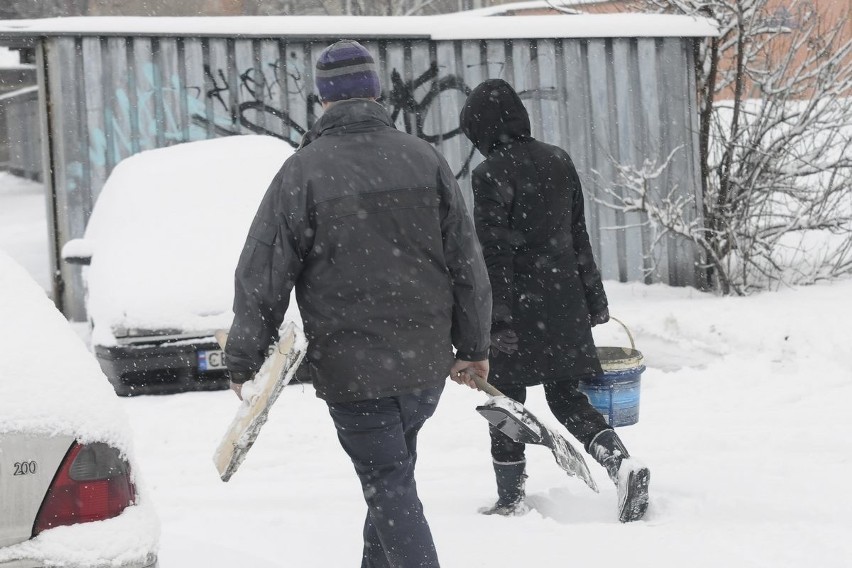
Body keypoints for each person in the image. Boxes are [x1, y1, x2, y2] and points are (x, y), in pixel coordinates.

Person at [224, 40, 492, 567]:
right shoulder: (424, 158)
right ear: (376, 92)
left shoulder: (303, 171)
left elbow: (264, 272)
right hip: (422, 368)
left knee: (389, 487)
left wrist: (243, 359)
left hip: (356, 372)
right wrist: (474, 344)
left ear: (324, 99)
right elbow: (467, 263)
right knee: (390, 483)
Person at [459, 78, 650, 523]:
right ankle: (621, 465)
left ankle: (510, 499)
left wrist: (496, 321)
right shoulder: (558, 161)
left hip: (518, 309)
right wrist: (593, 299)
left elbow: (495, 253)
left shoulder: (490, 175)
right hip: (563, 307)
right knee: (566, 400)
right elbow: (578, 234)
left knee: (504, 403)